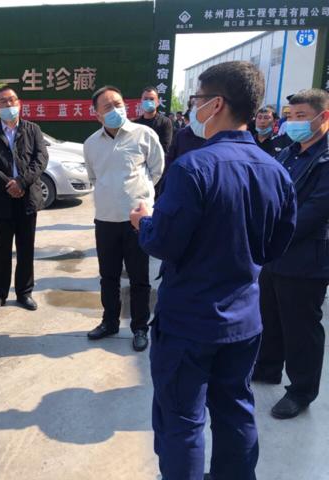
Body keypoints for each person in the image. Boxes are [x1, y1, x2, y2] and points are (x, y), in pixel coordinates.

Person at [130, 61, 296, 480]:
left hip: (189, 321)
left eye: (198, 100)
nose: (194, 109)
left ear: (217, 104)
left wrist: (144, 221)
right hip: (243, 319)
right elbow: (277, 246)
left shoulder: (193, 168)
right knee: (235, 410)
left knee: (182, 422)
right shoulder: (276, 171)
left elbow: (162, 242)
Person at [254, 88, 329, 419]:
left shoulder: (325, 158)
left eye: (302, 116)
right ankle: (267, 367)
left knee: (301, 326)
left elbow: (316, 210)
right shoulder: (288, 152)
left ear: (323, 117)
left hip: (307, 257)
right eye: (291, 116)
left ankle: (301, 391)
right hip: (274, 253)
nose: (294, 122)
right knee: (269, 314)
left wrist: (274, 233)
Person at [84, 85, 164, 352]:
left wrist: (140, 197)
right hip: (105, 219)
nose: (115, 109)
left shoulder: (144, 134)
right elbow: (94, 177)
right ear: (97, 114)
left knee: (139, 278)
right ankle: (109, 322)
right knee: (108, 276)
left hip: (137, 222)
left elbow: (157, 170)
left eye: (118, 104)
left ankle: (140, 327)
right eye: (107, 106)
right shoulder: (91, 144)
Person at [0, 86, 48, 313]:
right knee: (1, 251)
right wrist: (8, 183)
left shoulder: (32, 129)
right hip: (1, 200)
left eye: (12, 100)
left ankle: (24, 292)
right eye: (3, 101)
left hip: (27, 199)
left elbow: (41, 158)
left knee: (26, 249)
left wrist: (22, 183)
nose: (9, 105)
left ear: (19, 103)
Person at [134, 86, 173, 154]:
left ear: (157, 102)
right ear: (141, 102)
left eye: (152, 99)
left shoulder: (165, 122)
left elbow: (165, 148)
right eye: (145, 99)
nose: (148, 101)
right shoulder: (135, 124)